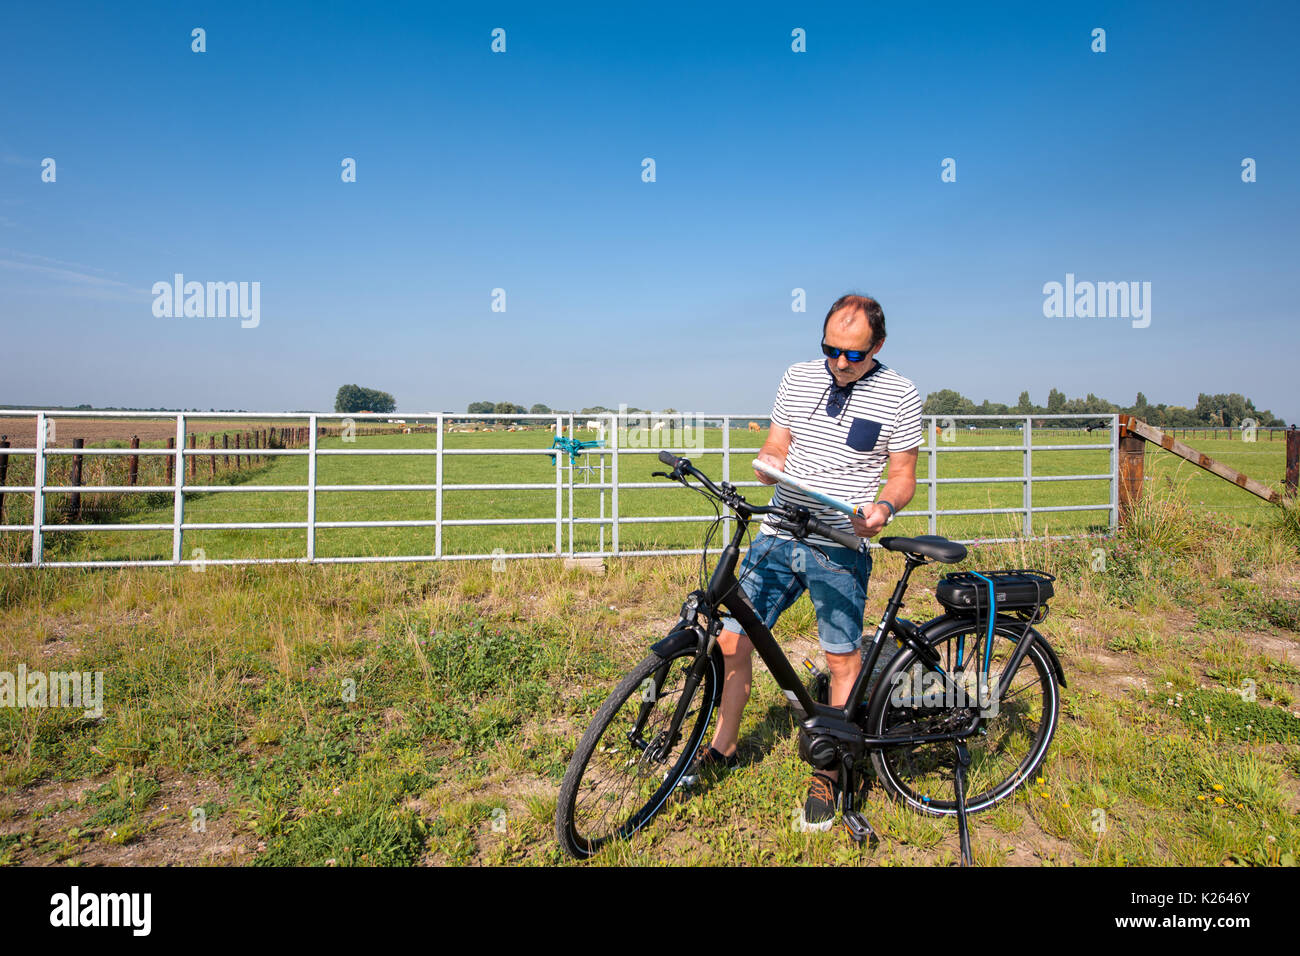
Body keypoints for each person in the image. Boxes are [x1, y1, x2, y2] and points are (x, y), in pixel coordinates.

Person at [680, 293, 922, 831]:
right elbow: (776, 444)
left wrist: (883, 508)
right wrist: (769, 465)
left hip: (839, 544)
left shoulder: (901, 394)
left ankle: (829, 770)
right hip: (780, 528)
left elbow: (903, 474)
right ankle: (723, 746)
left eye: (853, 355)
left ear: (877, 346)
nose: (840, 363)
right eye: (831, 349)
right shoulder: (796, 377)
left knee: (840, 660)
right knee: (731, 638)